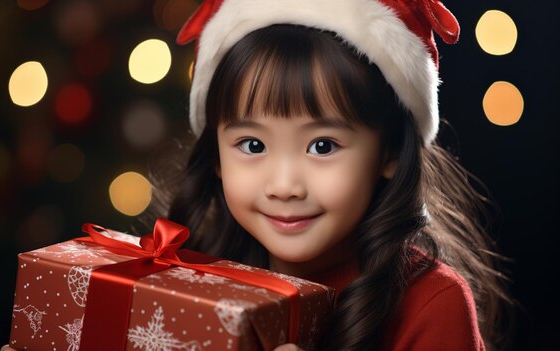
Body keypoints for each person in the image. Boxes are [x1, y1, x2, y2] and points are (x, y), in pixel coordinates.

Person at [153, 0, 514, 350]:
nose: (284, 186)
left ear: (388, 151)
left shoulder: (432, 303)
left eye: (322, 146)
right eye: (252, 145)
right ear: (216, 154)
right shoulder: (190, 274)